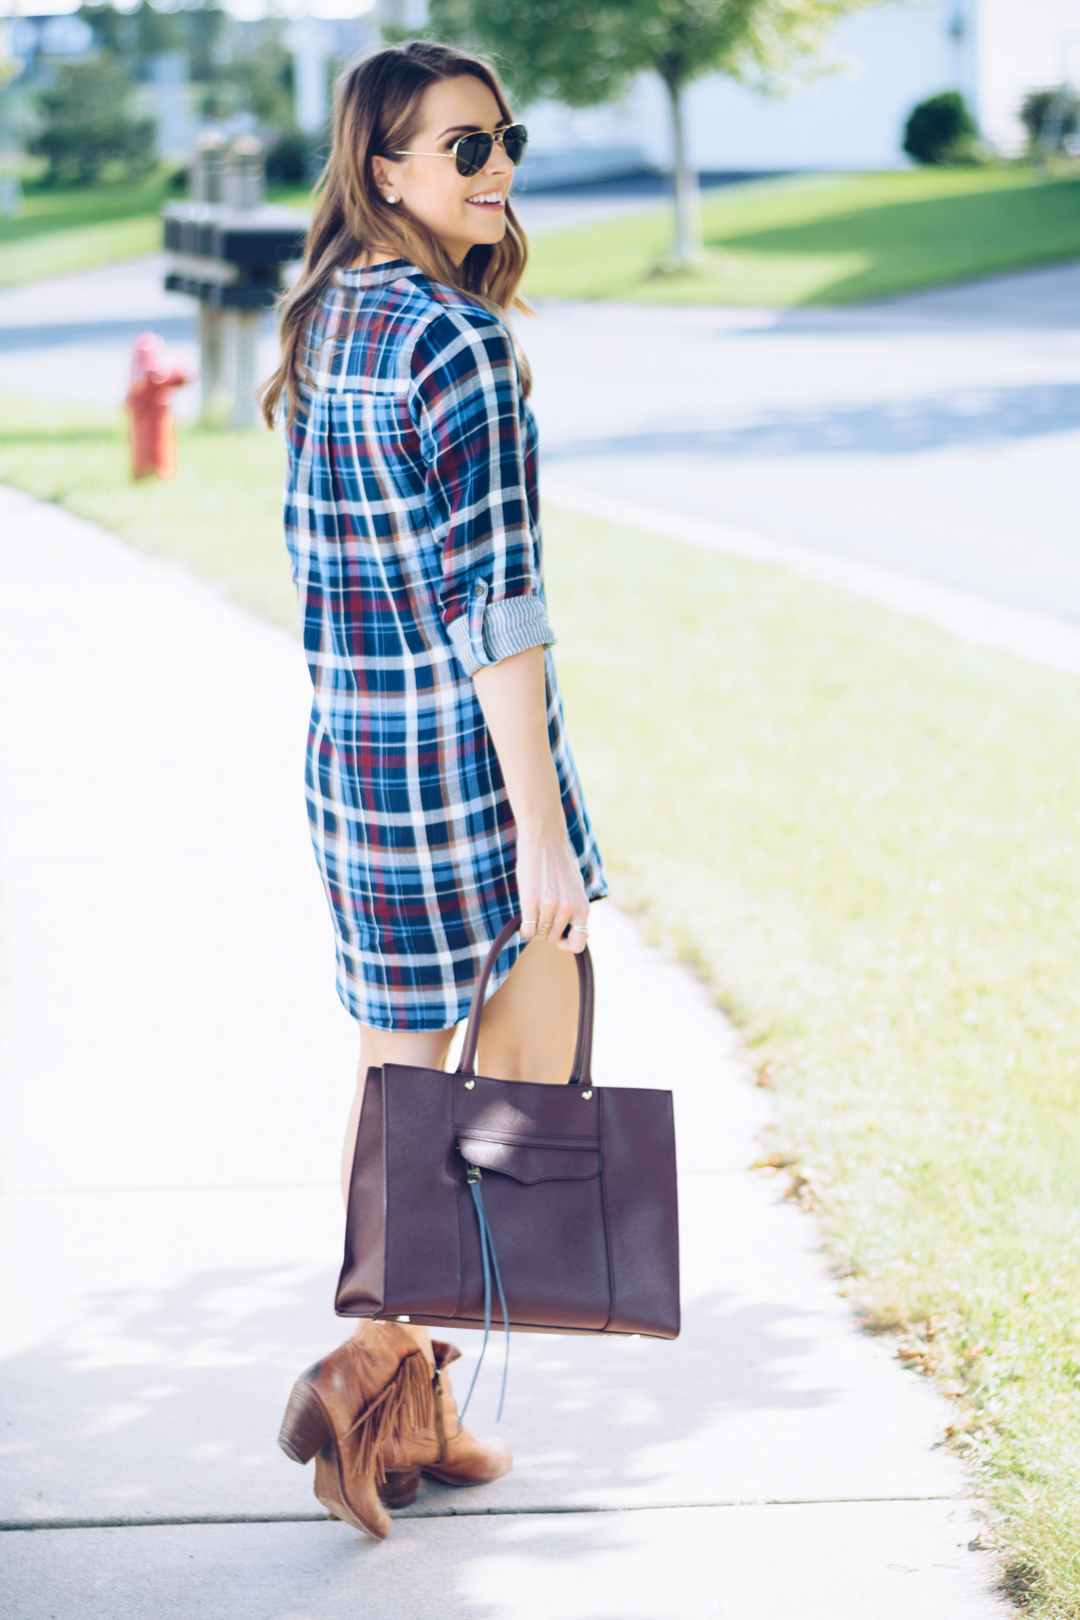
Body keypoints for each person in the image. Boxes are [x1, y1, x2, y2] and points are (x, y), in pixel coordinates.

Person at [260, 41, 607, 1539]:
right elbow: (499, 605)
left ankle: (410, 1408)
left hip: (356, 767)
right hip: (466, 777)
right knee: (526, 1081)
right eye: (461, 149)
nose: (496, 169)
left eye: (502, 139)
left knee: (401, 1094)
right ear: (384, 172)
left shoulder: (329, 320)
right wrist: (543, 829)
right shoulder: (455, 342)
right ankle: (377, 1369)